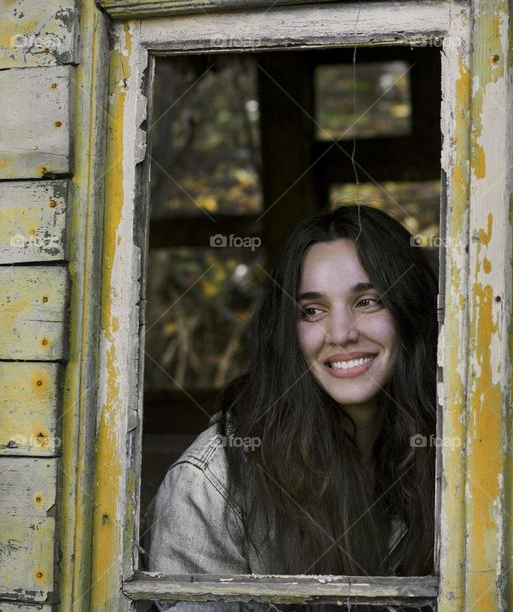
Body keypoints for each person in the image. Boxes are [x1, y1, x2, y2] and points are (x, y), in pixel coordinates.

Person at [143, 204, 439, 611]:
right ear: (287, 331)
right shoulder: (212, 487)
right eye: (312, 311)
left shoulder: (444, 456)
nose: (340, 333)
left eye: (368, 301)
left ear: (410, 312)